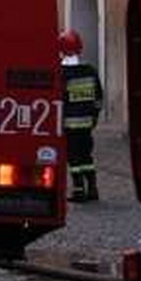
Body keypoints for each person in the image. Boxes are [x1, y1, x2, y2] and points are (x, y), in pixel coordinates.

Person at [59, 28, 103, 202]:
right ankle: (93, 189)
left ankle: (78, 191)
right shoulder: (90, 70)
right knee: (87, 156)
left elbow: (59, 99)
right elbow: (99, 97)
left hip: (69, 123)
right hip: (87, 123)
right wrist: (94, 117)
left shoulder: (61, 73)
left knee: (73, 157)